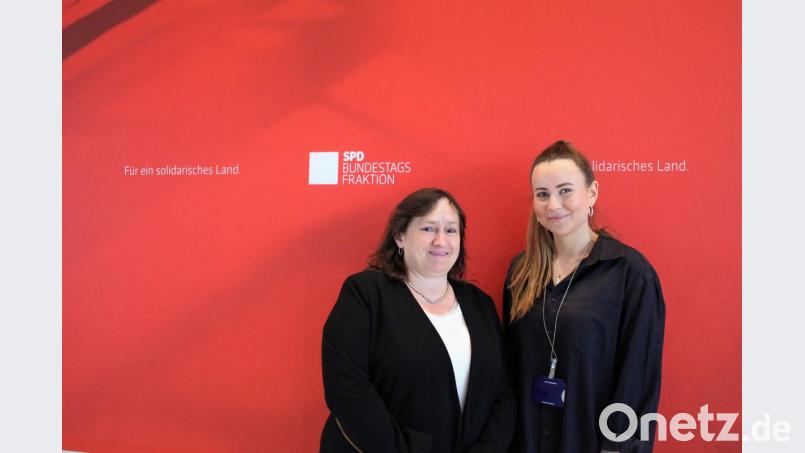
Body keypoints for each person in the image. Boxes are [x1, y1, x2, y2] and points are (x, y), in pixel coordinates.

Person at [321, 188, 515, 452]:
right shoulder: (365, 293)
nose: (440, 241)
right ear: (400, 236)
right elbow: (347, 389)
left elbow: (503, 391)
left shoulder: (479, 304)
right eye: (428, 229)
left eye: (450, 230)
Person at [503, 141, 665, 453]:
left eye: (565, 191)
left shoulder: (629, 273)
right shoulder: (520, 272)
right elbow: (511, 367)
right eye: (542, 194)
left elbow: (638, 380)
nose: (553, 204)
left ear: (591, 193)